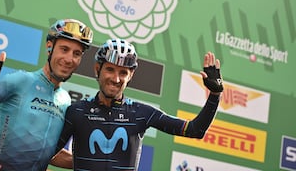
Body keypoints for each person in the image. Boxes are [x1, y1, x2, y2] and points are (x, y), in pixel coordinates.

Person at [51, 38, 224, 170]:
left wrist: (214, 95)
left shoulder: (141, 113)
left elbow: (195, 130)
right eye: (110, 69)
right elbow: (45, 153)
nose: (116, 79)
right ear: (98, 69)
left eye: (123, 72)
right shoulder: (76, 111)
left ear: (131, 76)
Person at [0, 19, 93, 171]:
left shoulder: (65, 100)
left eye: (77, 54)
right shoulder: (20, 81)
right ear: (49, 47)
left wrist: (98, 162)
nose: (69, 59)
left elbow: (46, 153)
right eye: (64, 49)